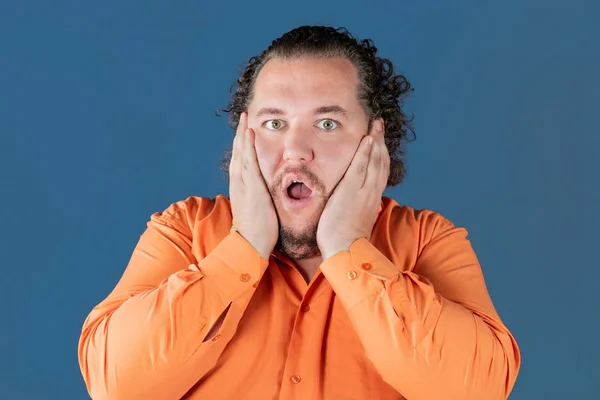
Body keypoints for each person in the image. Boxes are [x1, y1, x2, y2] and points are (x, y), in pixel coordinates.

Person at [77, 26, 521, 400]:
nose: (295, 150)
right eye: (274, 123)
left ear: (373, 140)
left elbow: (477, 389)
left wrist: (349, 247)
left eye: (326, 123)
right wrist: (246, 244)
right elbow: (116, 384)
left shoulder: (427, 240)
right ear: (244, 137)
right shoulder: (184, 229)